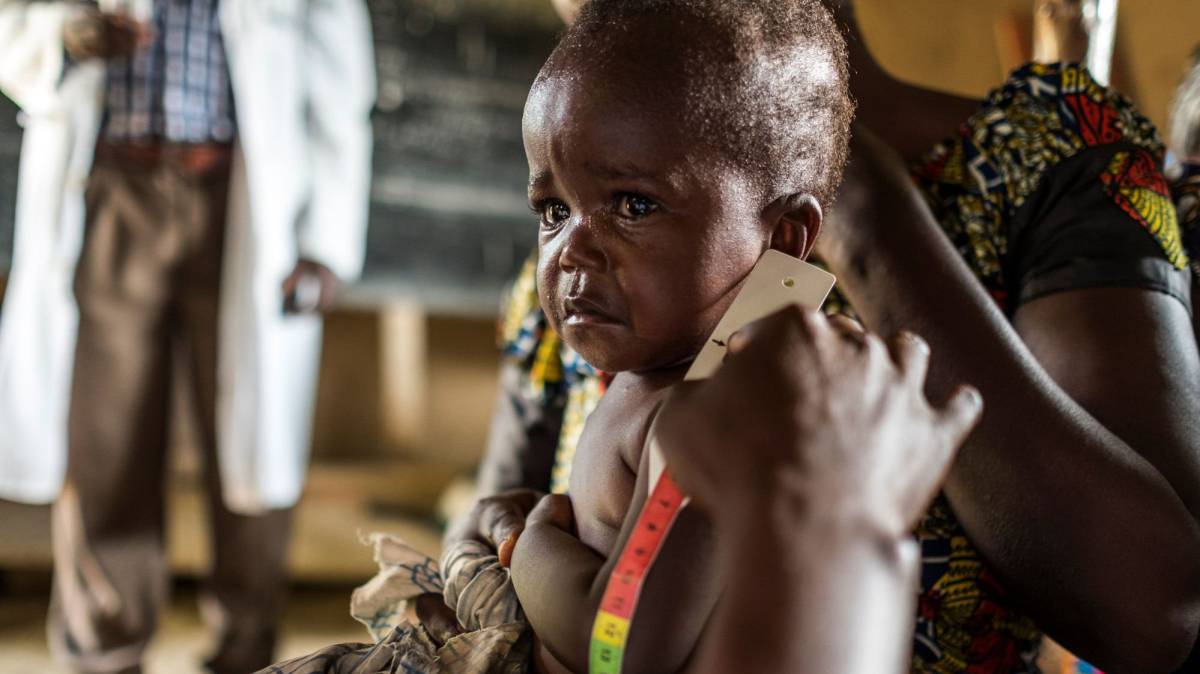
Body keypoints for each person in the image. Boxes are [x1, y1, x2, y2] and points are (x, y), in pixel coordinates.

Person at [459, 1, 1200, 672]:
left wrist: (526, 547)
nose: (572, 251)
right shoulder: (607, 314)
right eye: (552, 210)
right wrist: (494, 542)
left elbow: (617, 643)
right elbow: (489, 543)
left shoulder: (718, 415)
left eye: (633, 204)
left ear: (786, 233)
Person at [0, 1, 375, 672]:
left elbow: (342, 77)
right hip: (111, 186)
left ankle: (246, 650)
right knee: (104, 440)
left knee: (252, 447)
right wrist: (58, 34)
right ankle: (103, 653)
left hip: (247, 198)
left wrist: (330, 240)